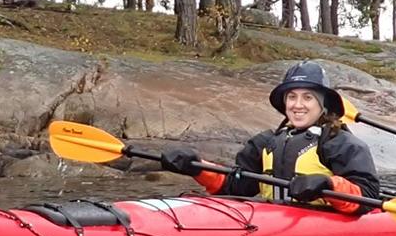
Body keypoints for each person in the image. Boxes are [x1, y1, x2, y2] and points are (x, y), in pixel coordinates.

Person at [159, 61, 381, 214]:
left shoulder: (340, 142)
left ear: (322, 105)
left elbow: (367, 196)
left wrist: (328, 184)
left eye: (308, 97)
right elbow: (236, 187)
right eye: (291, 97)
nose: (298, 105)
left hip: (327, 222)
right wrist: (197, 167)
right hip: (271, 218)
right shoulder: (265, 143)